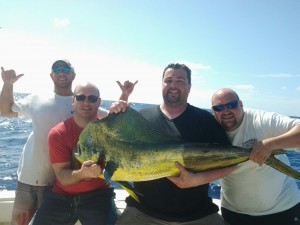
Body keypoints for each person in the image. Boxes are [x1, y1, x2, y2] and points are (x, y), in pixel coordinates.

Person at [0, 60, 137, 225]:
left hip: (74, 186)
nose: (86, 102)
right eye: (56, 69)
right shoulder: (38, 100)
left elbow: (113, 120)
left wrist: (124, 97)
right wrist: (7, 84)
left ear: (73, 74)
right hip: (37, 179)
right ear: (74, 100)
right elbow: (6, 111)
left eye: (66, 68)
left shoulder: (93, 112)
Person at [114, 63, 235, 225]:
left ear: (189, 86)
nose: (173, 85)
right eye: (168, 80)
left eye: (180, 81)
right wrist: (121, 101)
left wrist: (196, 180)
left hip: (198, 215)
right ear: (162, 84)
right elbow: (114, 144)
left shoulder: (205, 120)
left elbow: (230, 162)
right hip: (142, 213)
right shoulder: (140, 119)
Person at [169, 88, 300, 225]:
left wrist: (269, 145)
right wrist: (194, 180)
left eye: (231, 105)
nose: (226, 111)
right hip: (234, 214)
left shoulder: (262, 120)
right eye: (219, 107)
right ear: (213, 111)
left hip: (283, 211)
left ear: (241, 104)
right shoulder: (210, 129)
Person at [30, 82, 120, 225]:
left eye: (92, 98)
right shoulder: (58, 133)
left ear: (99, 102)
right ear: (73, 101)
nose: (86, 102)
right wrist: (83, 173)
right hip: (61, 197)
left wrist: (123, 102)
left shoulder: (109, 133)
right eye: (80, 97)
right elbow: (63, 177)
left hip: (98, 196)